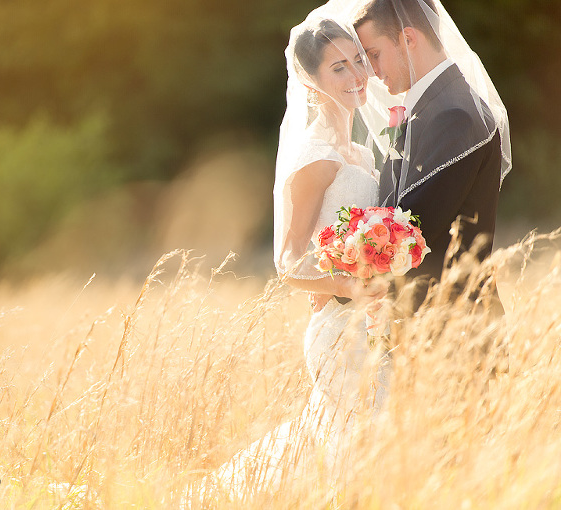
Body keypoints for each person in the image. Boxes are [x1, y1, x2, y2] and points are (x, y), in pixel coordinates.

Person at [200, 5, 396, 500]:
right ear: (310, 81)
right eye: (338, 67)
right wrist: (348, 285)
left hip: (374, 324)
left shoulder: (361, 153)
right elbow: (288, 263)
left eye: (358, 60)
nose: (356, 75)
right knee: (350, 457)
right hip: (338, 329)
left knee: (363, 454)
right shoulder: (316, 157)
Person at [354, 0, 512, 315]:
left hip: (454, 324)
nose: (371, 71)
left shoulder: (454, 114)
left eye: (374, 54)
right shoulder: (431, 108)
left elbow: (411, 228)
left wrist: (338, 278)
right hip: (428, 322)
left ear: (409, 39)